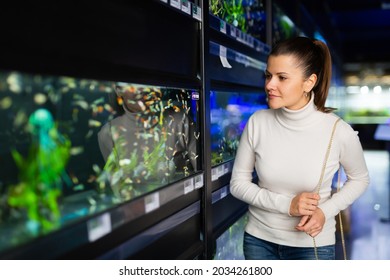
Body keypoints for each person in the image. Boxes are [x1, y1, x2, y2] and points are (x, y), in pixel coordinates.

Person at [229, 36, 370, 260]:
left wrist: (325, 211)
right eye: (268, 75)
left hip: (312, 243)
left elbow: (360, 179)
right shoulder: (258, 122)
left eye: (281, 77)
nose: (269, 85)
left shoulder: (338, 131)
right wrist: (288, 205)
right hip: (259, 241)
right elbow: (238, 184)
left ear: (309, 82)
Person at [97, 83, 198, 200]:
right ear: (118, 90)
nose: (140, 89)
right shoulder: (108, 133)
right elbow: (118, 190)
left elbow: (204, 175)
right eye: (131, 84)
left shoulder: (179, 120)